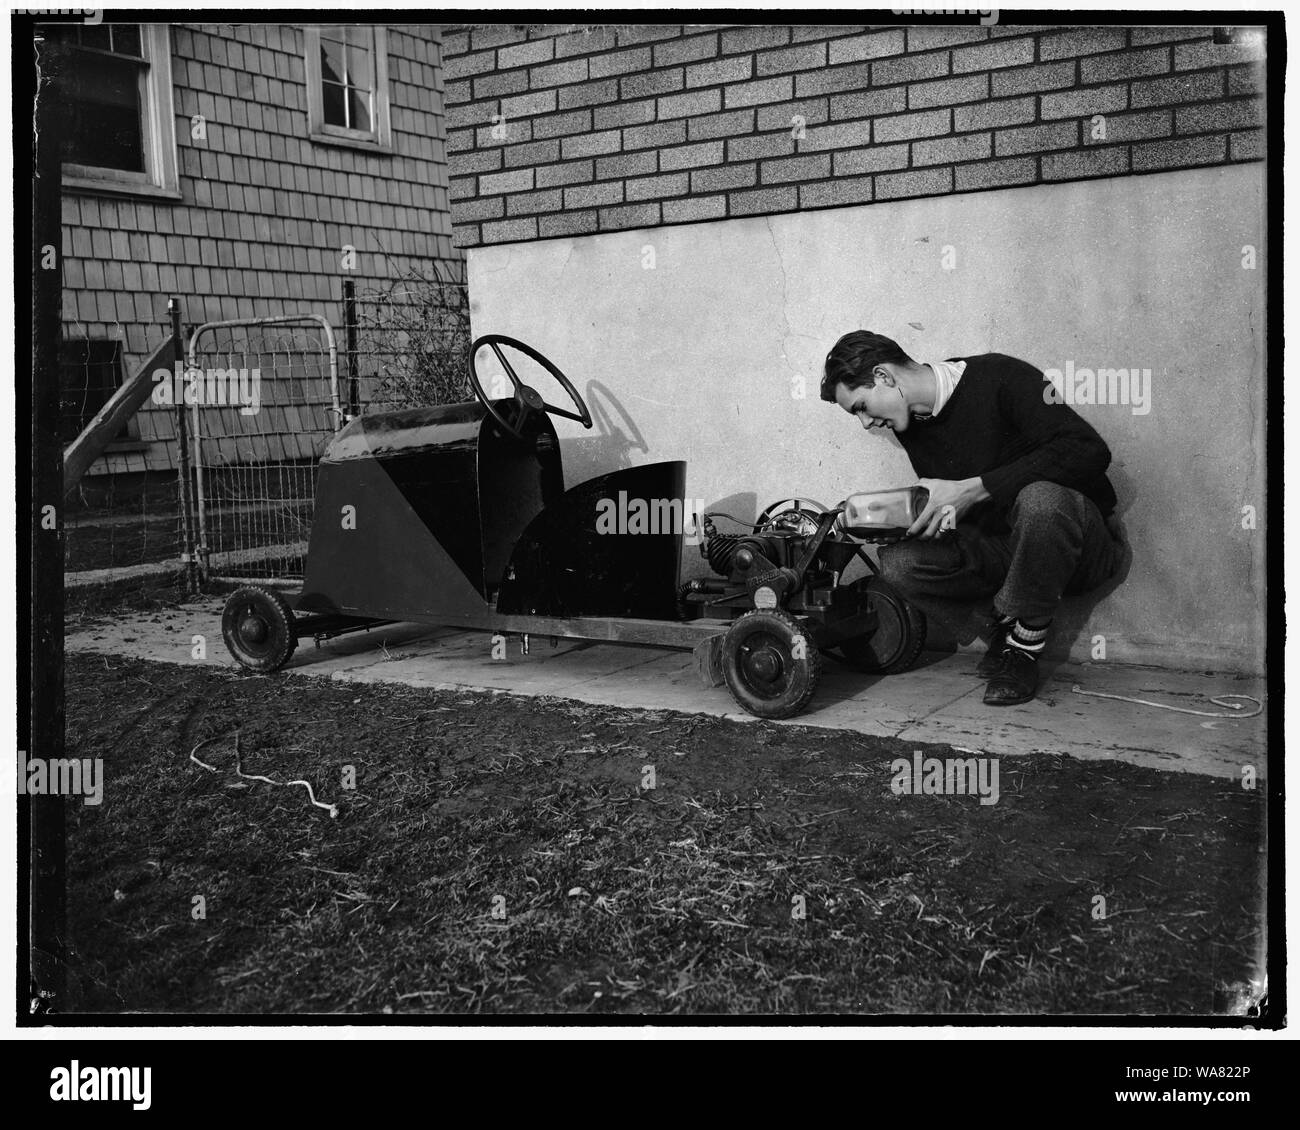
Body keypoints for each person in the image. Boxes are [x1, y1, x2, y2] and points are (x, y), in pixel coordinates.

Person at [820, 331, 1123, 705]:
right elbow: (967, 513)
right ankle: (1005, 631)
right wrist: (927, 520)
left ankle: (1024, 649)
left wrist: (976, 488)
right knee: (899, 562)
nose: (865, 424)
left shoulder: (1000, 376)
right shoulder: (913, 427)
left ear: (884, 376)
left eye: (861, 407)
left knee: (1041, 500)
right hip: (1010, 551)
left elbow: (1089, 451)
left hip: (1079, 545)